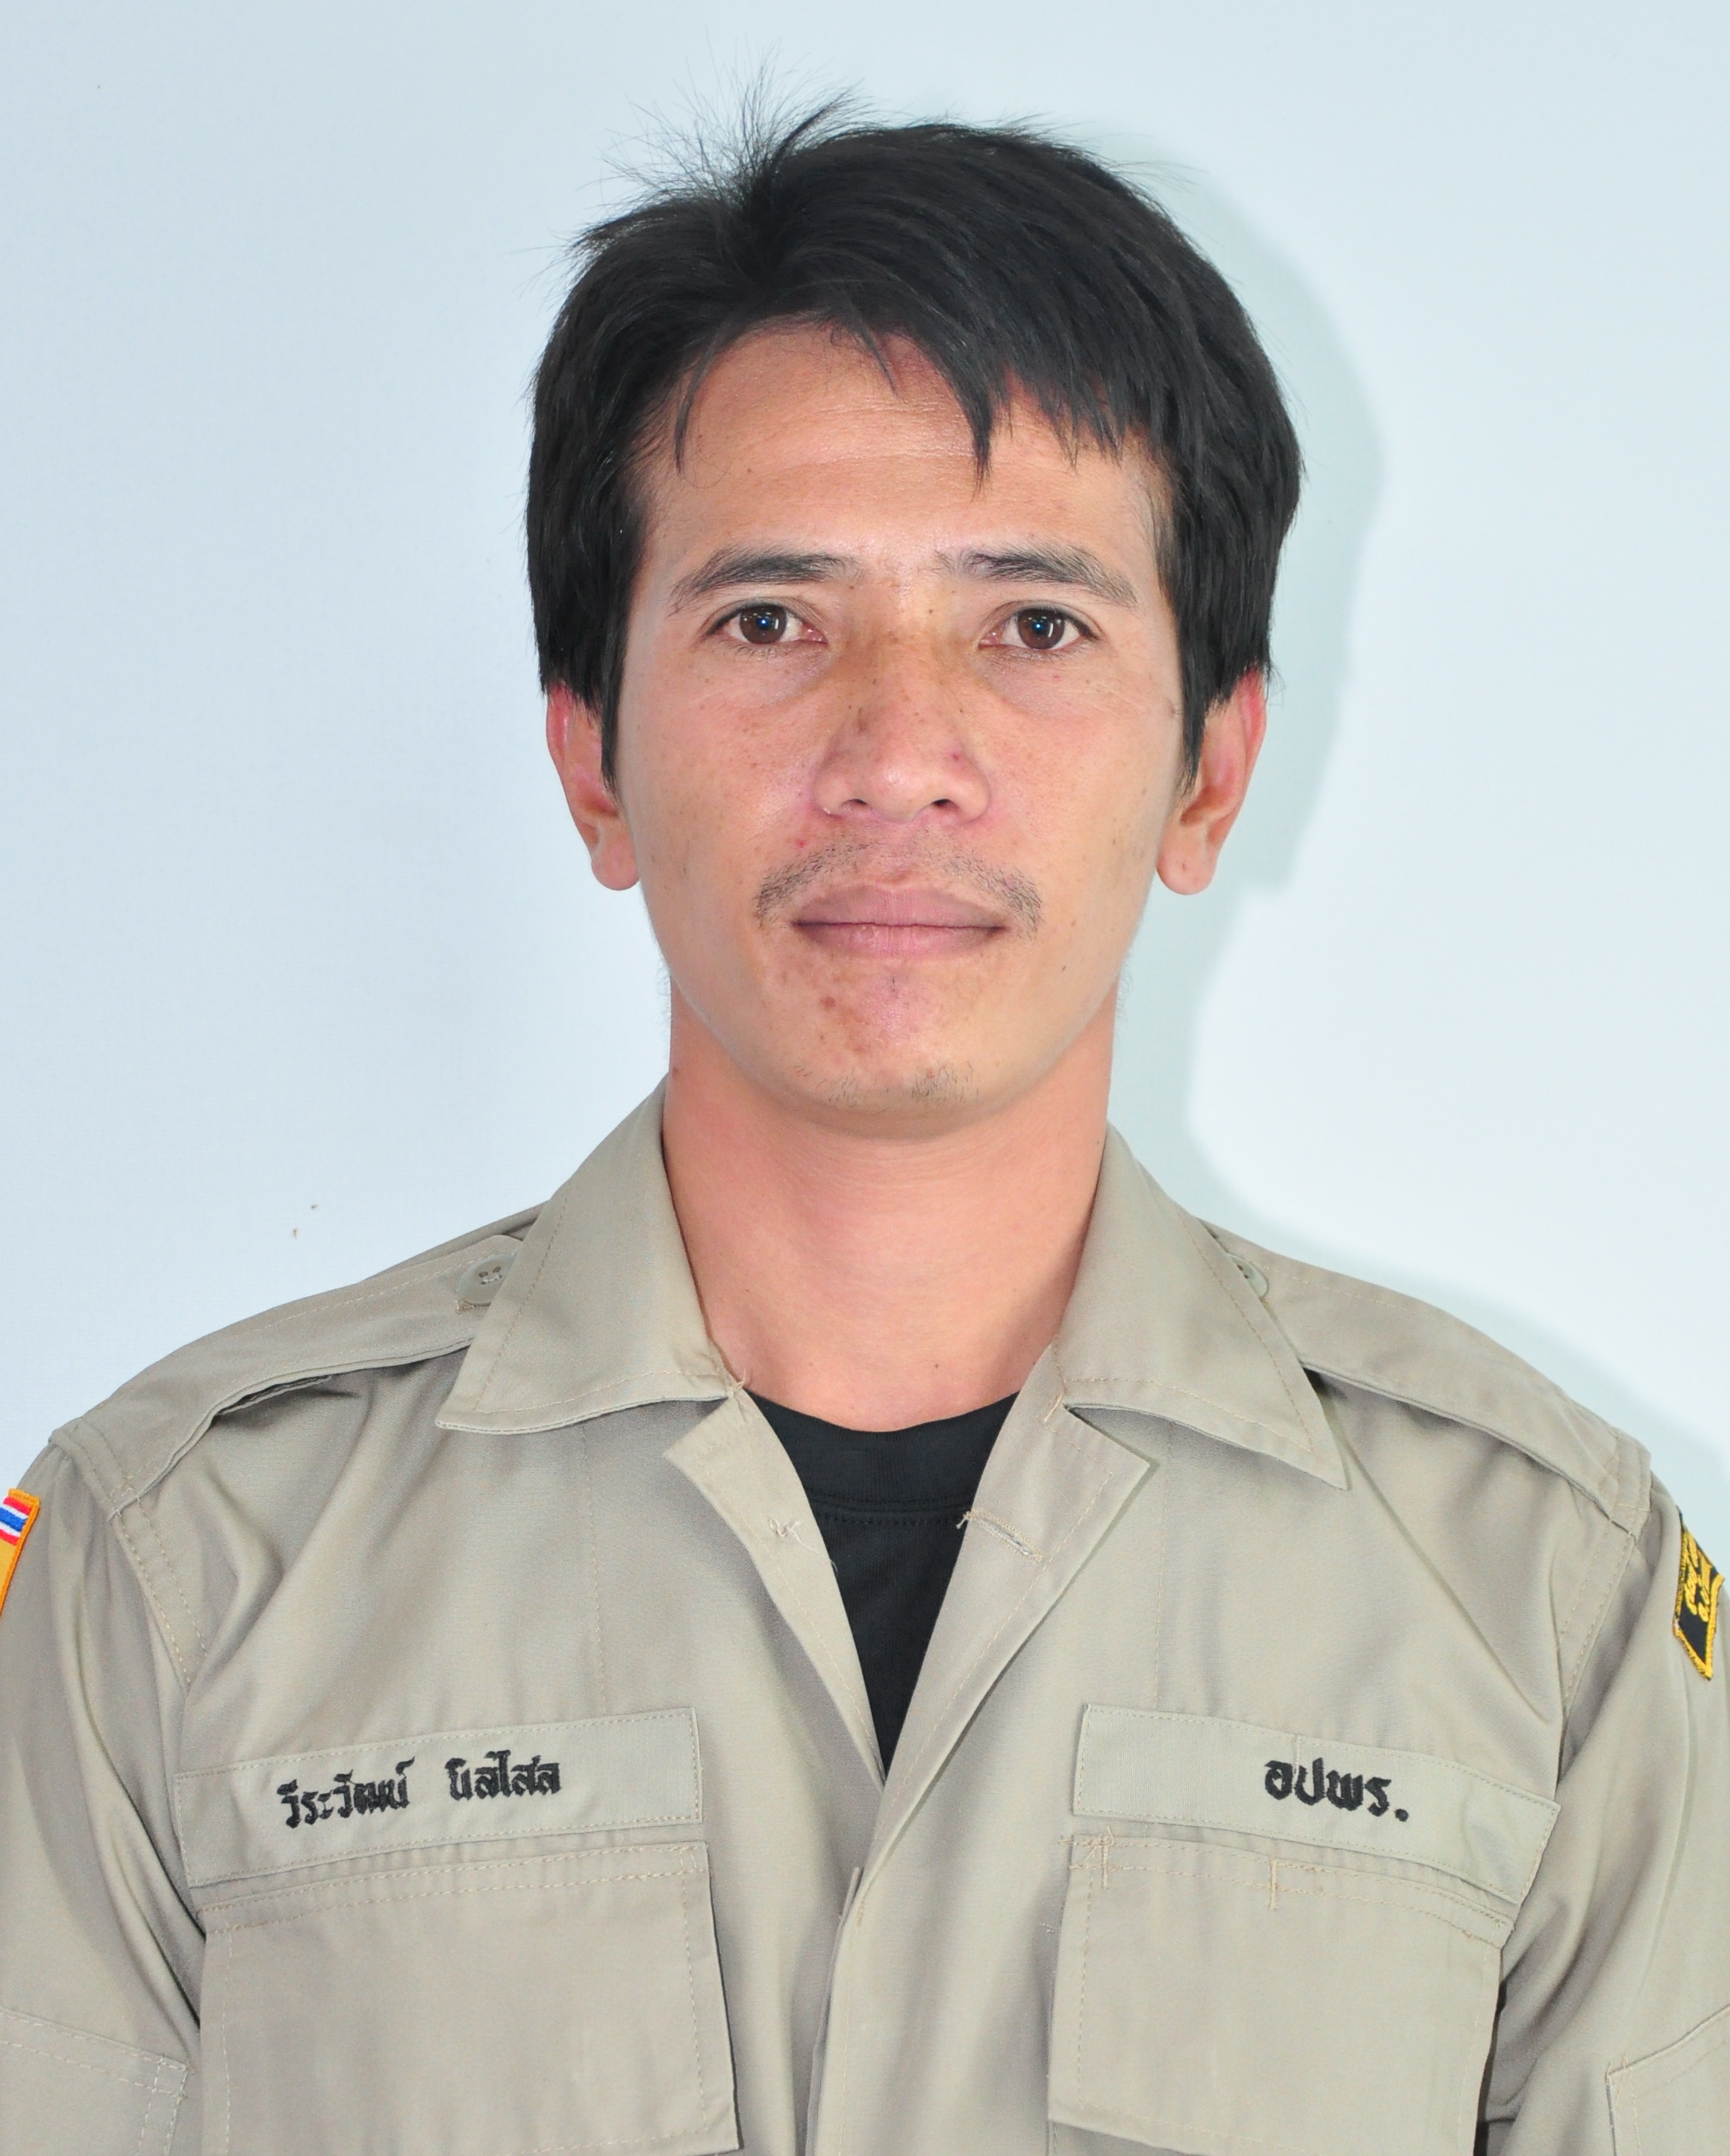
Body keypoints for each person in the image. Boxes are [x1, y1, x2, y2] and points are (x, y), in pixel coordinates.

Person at [0, 105, 1724, 2156]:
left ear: (1209, 770)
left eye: (1035, 627)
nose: (900, 754)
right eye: (770, 621)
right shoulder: (175, 1563)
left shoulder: (1543, 1588)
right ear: (592, 760)